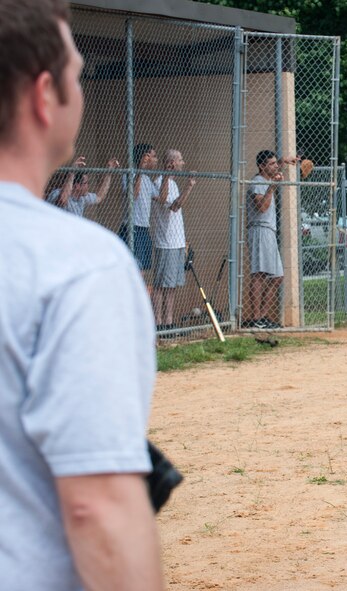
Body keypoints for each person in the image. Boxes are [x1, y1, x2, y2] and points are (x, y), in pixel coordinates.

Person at [0, 0, 164, 589]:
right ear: (44, 96)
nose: (81, 86)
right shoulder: (74, 263)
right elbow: (97, 506)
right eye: (78, 73)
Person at [245, 150, 298, 329]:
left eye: (277, 163)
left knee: (277, 276)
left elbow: (277, 167)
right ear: (262, 166)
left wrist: (285, 160)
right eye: (272, 164)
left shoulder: (267, 179)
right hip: (259, 230)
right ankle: (256, 318)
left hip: (269, 231)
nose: (276, 166)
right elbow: (262, 207)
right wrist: (272, 187)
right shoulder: (257, 182)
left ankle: (262, 316)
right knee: (259, 274)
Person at [152, 149, 196, 331]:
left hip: (177, 241)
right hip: (167, 241)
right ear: (171, 162)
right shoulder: (161, 182)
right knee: (161, 284)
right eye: (180, 160)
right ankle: (158, 321)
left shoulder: (173, 183)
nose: (183, 163)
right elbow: (174, 207)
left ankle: (168, 321)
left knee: (171, 285)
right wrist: (190, 186)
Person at [120, 142, 159, 280]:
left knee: (143, 268)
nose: (156, 160)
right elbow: (133, 195)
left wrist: (167, 175)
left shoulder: (147, 179)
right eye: (153, 156)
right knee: (136, 271)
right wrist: (141, 169)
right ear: (144, 157)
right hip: (132, 227)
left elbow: (161, 198)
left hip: (144, 228)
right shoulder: (128, 175)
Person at [47, 154, 119, 217]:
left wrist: (109, 173)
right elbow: (62, 200)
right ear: (77, 186)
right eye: (86, 183)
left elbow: (99, 197)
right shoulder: (57, 193)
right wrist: (72, 172)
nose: (88, 186)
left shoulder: (82, 197)